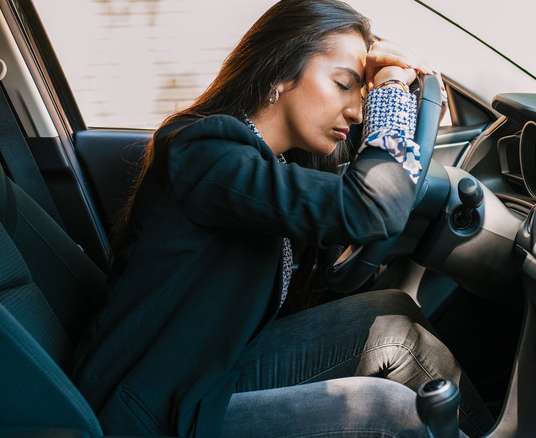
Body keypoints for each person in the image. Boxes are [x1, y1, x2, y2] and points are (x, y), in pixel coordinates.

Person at [71, 1, 494, 437]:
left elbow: (354, 215)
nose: (356, 111)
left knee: (394, 320)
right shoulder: (204, 150)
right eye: (343, 84)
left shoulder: (267, 164)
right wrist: (390, 92)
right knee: (388, 410)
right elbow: (372, 207)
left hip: (213, 366)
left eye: (361, 95)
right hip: (150, 408)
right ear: (279, 74)